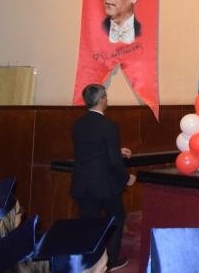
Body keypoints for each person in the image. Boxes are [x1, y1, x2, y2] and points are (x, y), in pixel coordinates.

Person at [71, 83, 135, 271]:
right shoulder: (109, 126)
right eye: (105, 97)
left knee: (89, 224)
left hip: (82, 183)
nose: (107, 99)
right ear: (100, 100)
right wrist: (126, 178)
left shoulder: (78, 125)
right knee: (117, 218)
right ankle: (111, 260)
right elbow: (114, 161)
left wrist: (116, 150)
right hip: (104, 185)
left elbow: (90, 151)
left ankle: (88, 262)